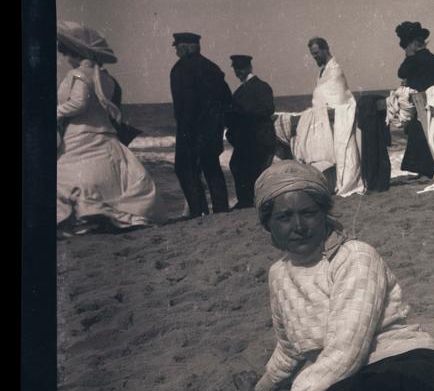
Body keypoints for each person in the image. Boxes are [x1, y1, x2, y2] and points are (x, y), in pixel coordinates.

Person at [177, 160, 434, 391]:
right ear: (268, 224)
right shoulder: (278, 274)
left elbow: (345, 353)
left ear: (325, 213)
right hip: (347, 383)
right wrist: (263, 386)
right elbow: (288, 347)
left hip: (402, 371)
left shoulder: (355, 257)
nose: (298, 226)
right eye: (284, 217)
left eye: (308, 213)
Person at [56, 21, 165, 234]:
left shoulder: (78, 74)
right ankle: (101, 213)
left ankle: (82, 216)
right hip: (104, 134)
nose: (65, 59)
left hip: (79, 134)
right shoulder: (107, 78)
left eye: (66, 54)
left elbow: (79, 104)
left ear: (75, 53)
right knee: (105, 174)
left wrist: (56, 112)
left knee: (66, 174)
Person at [169, 32, 232, 216]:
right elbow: (227, 100)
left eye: (177, 47)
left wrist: (185, 131)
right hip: (212, 132)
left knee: (185, 169)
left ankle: (198, 212)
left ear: (184, 47)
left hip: (190, 131)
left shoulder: (180, 68)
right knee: (212, 168)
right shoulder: (213, 68)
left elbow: (185, 105)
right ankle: (221, 210)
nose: (176, 52)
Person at [395, 22, 434, 179]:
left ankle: (424, 169)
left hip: (421, 111)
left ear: (413, 45)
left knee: (415, 126)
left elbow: (401, 73)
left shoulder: (411, 62)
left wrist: (409, 57)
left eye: (406, 47)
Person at [307, 37, 365, 197]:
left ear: (325, 49)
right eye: (312, 54)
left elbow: (339, 96)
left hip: (341, 115)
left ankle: (348, 183)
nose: (315, 57)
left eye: (317, 53)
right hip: (329, 118)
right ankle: (336, 183)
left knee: (345, 148)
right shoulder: (322, 71)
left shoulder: (335, 70)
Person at [225, 55, 276, 209]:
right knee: (238, 166)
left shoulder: (261, 86)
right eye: (236, 68)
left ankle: (249, 201)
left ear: (249, 68)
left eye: (241, 68)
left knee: (247, 168)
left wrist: (242, 114)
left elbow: (268, 109)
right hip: (248, 140)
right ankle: (246, 201)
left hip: (259, 138)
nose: (238, 71)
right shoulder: (241, 90)